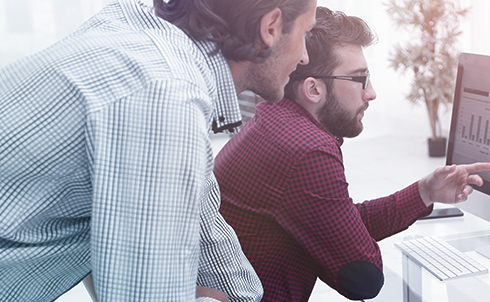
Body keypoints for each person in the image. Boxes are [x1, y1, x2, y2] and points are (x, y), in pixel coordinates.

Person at [0, 0, 317, 300]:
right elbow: (144, 295)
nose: (304, 57)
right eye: (305, 33)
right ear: (271, 28)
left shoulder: (142, 27)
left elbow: (204, 224)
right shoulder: (166, 97)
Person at [214, 7, 490, 302]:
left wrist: (425, 192)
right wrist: (340, 253)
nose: (371, 93)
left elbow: (336, 224)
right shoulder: (308, 150)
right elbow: (364, 278)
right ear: (314, 89)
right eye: (359, 79)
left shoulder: (274, 120)